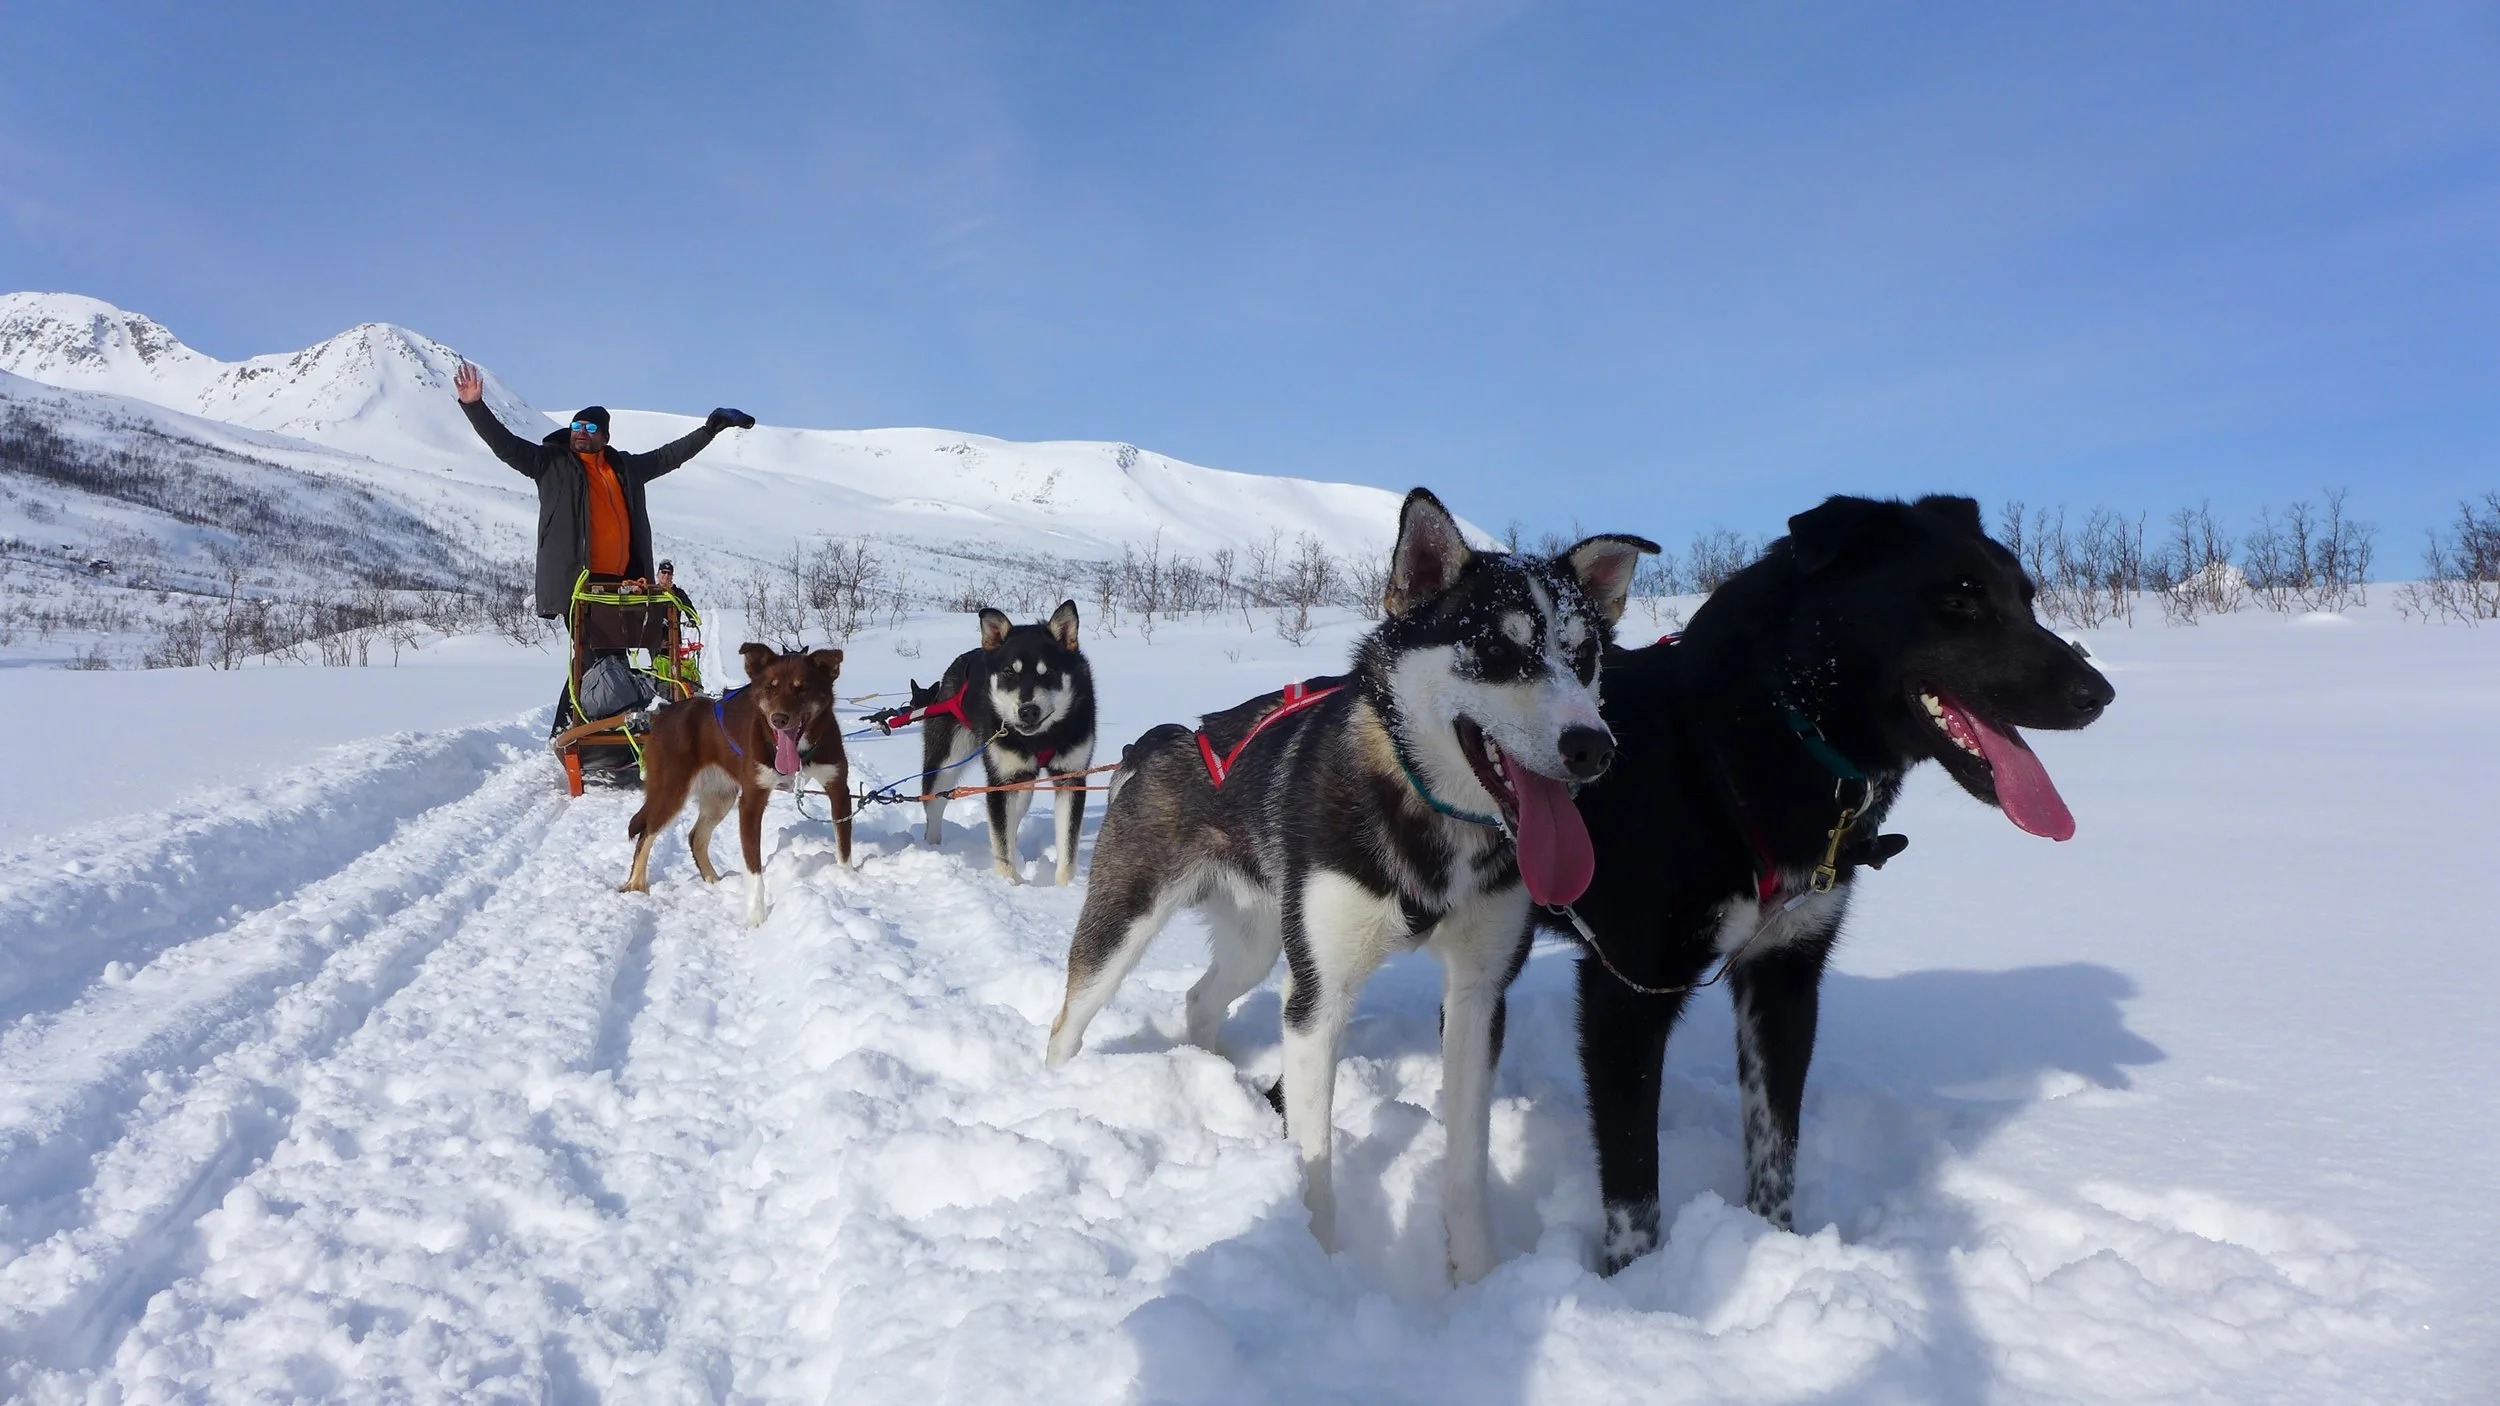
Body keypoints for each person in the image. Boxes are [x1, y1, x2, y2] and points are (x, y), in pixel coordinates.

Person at [453, 362, 754, 779]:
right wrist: (475, 406)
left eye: (591, 428)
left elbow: (670, 456)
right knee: (596, 659)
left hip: (623, 586)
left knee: (608, 661)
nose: (582, 432)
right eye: (577, 425)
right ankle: (581, 740)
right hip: (578, 589)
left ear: (605, 436)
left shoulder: (626, 468)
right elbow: (505, 445)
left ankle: (590, 736)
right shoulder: (550, 463)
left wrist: (711, 429)